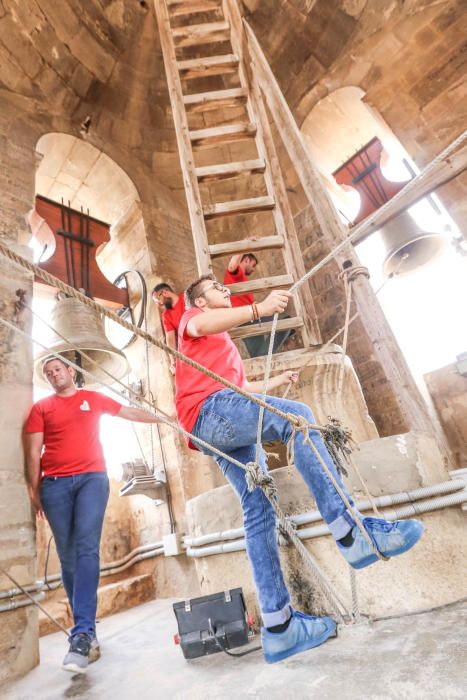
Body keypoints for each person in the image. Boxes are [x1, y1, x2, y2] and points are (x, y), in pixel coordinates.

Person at [175, 274, 424, 664]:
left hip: (213, 422)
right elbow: (199, 327)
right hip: (212, 411)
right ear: (200, 301)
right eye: (217, 289)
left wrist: (275, 380)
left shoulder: (219, 348)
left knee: (257, 507)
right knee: (300, 418)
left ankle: (279, 628)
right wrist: (258, 309)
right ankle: (352, 532)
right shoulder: (194, 319)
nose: (225, 291)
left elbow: (238, 386)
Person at [24, 357, 161, 674]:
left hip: (91, 480)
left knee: (86, 548)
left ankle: (82, 634)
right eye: (48, 373)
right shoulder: (41, 408)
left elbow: (128, 412)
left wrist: (166, 419)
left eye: (58, 369)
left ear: (71, 372)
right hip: (54, 487)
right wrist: (34, 493)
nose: (54, 374)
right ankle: (87, 631)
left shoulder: (93, 398)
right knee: (68, 557)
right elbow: (33, 453)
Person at [223, 247, 293, 357]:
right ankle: (285, 329)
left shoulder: (242, 279)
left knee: (257, 354)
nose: (254, 269)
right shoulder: (237, 274)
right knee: (281, 317)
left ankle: (264, 360)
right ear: (246, 260)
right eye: (253, 265)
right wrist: (244, 244)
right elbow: (232, 265)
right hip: (248, 317)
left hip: (245, 319)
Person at [152, 282, 185, 373]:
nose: (158, 304)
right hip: (189, 347)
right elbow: (170, 339)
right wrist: (173, 361)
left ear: (165, 293)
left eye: (157, 300)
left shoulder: (186, 296)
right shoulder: (166, 316)